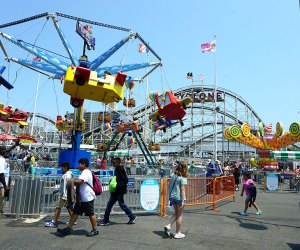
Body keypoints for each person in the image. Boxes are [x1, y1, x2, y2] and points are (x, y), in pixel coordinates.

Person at [57, 158, 99, 237]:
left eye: (79, 164)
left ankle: (95, 230)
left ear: (84, 164)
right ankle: (68, 228)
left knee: (91, 214)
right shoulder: (86, 172)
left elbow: (80, 181)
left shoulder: (86, 172)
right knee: (75, 213)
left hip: (87, 197)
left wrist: (71, 180)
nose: (78, 166)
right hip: (82, 198)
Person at [98, 157, 137, 226]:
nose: (113, 164)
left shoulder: (120, 169)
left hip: (119, 191)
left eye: (114, 162)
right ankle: (106, 219)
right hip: (116, 191)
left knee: (121, 205)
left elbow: (125, 180)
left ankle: (132, 216)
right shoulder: (117, 169)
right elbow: (119, 179)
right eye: (112, 162)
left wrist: (116, 185)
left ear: (118, 163)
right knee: (111, 205)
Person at [45, 162, 75, 227]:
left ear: (65, 168)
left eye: (62, 168)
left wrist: (64, 195)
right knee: (68, 207)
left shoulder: (66, 175)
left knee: (58, 207)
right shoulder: (70, 174)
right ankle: (73, 220)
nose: (61, 169)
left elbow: (65, 186)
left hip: (64, 195)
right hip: (68, 194)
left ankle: (53, 222)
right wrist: (57, 190)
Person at [164, 161, 188, 239]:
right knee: (180, 215)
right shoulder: (182, 178)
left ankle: (168, 225)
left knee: (176, 213)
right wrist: (183, 200)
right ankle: (178, 233)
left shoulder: (172, 175)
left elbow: (170, 186)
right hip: (179, 198)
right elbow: (182, 190)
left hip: (172, 197)